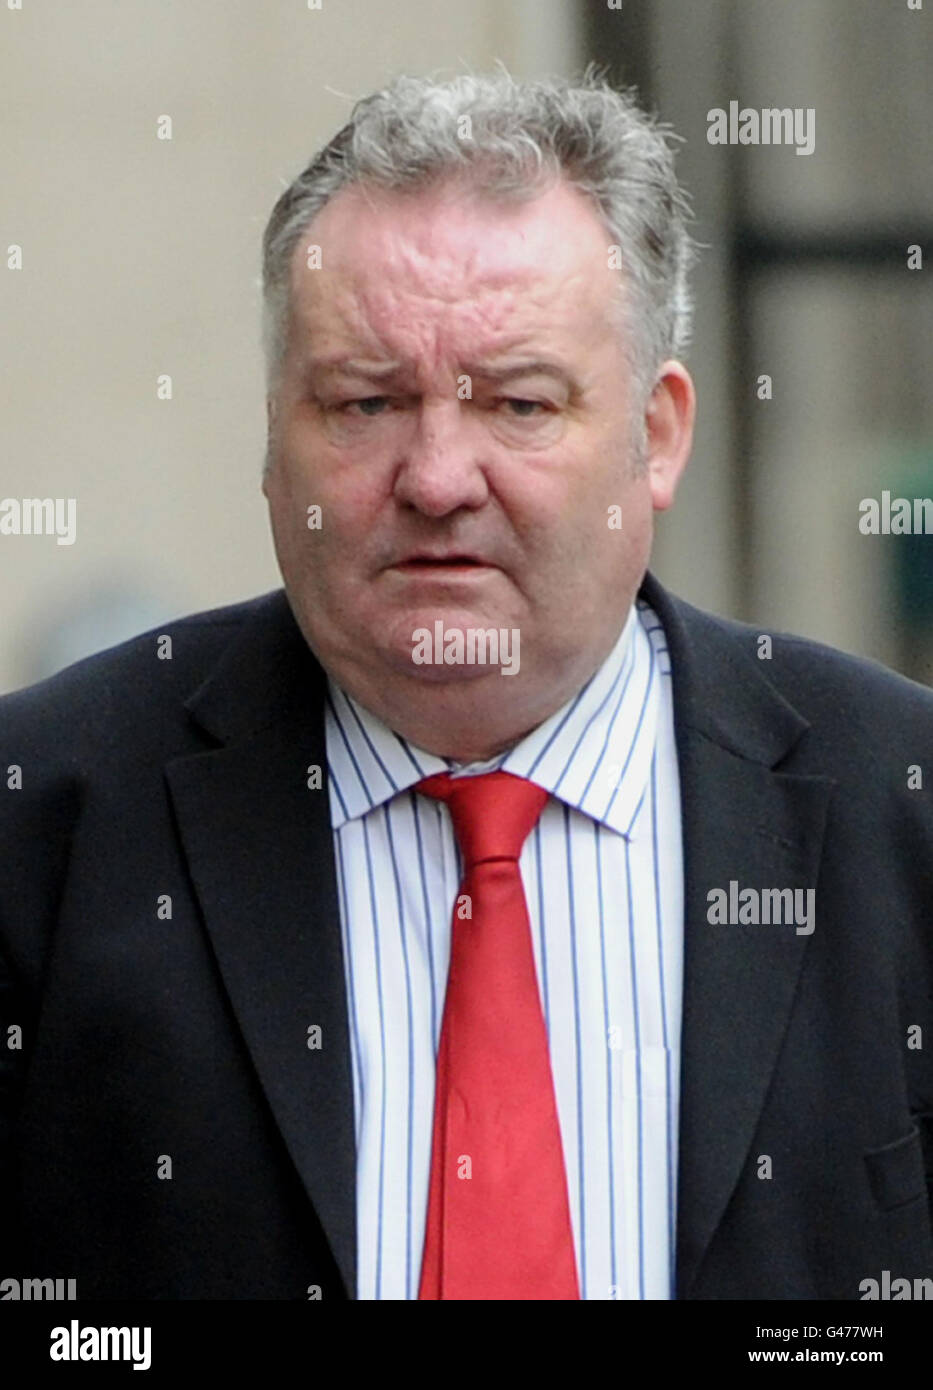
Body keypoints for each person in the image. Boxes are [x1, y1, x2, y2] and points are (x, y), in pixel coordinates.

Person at [1, 69, 931, 1302]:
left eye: (519, 402)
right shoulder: (42, 828)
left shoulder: (900, 816)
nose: (437, 475)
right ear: (272, 439)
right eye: (366, 400)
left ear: (656, 435)